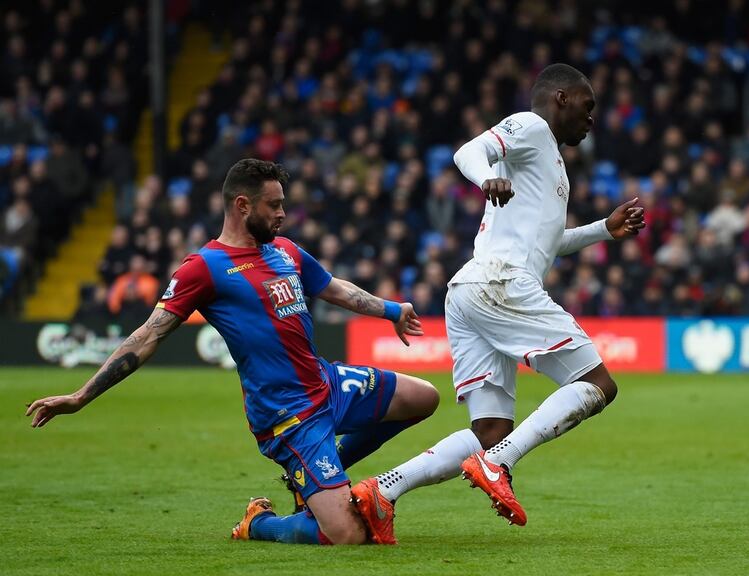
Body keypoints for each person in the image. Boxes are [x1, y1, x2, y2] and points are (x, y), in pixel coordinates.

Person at [25, 159, 440, 546]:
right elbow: (147, 336)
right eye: (273, 205)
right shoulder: (203, 268)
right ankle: (258, 524)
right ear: (243, 205)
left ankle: (313, 478)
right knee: (346, 535)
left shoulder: (286, 251)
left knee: (424, 398)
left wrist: (392, 310)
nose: (282, 214)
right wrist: (81, 396)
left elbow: (333, 288)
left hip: (327, 383)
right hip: (287, 415)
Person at [349, 63, 645, 544]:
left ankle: (382, 490)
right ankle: (498, 464)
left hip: (470, 292)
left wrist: (602, 230)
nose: (593, 119)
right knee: (598, 384)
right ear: (561, 98)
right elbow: (469, 151)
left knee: (490, 427)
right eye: (588, 107)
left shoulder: (551, 163)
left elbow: (548, 242)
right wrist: (487, 177)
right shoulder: (531, 128)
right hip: (500, 283)